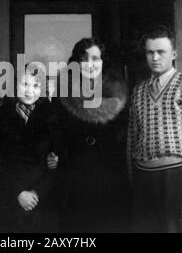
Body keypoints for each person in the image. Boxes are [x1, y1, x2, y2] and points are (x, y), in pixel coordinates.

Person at [127, 25, 182, 233]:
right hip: (144, 180)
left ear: (174, 54)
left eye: (161, 52)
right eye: (150, 52)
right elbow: (132, 140)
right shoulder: (138, 91)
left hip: (178, 179)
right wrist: (133, 182)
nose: (155, 57)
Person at [49, 37, 130, 232]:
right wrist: (55, 153)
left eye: (96, 59)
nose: (91, 64)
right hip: (74, 168)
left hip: (109, 169)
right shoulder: (64, 91)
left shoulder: (117, 92)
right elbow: (55, 129)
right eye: (85, 59)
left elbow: (126, 130)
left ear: (103, 62)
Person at [0, 63, 62, 232]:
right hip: (7, 198)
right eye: (24, 84)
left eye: (35, 85)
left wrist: (37, 192)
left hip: (41, 200)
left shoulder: (52, 116)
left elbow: (57, 161)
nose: (29, 91)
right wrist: (18, 192)